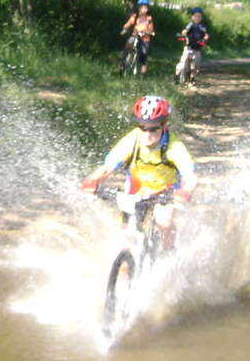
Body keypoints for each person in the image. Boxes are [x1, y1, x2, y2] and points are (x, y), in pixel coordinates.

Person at [79, 95, 198, 250]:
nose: (147, 134)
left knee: (164, 221)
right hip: (136, 189)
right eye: (143, 127)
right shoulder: (133, 139)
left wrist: (186, 191)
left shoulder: (173, 146)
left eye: (154, 129)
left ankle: (169, 253)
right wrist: (92, 180)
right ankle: (125, 264)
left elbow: (190, 176)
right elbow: (108, 167)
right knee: (126, 236)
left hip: (165, 190)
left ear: (164, 125)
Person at [120, 0, 156, 76]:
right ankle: (124, 59)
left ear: (148, 9)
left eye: (146, 8)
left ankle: (142, 74)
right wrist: (125, 29)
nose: (144, 9)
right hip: (135, 36)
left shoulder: (149, 19)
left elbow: (151, 29)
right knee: (129, 44)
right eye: (142, 7)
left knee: (144, 54)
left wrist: (148, 32)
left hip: (144, 38)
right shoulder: (135, 17)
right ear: (139, 8)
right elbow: (128, 24)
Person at [175, 7, 210, 84]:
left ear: (201, 17)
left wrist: (205, 38)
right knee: (183, 64)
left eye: (199, 16)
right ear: (192, 17)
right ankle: (177, 76)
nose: (197, 18)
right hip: (188, 48)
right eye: (195, 16)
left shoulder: (202, 27)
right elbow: (185, 31)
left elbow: (206, 35)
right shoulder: (190, 25)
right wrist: (183, 33)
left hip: (197, 49)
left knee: (195, 67)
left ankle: (191, 79)